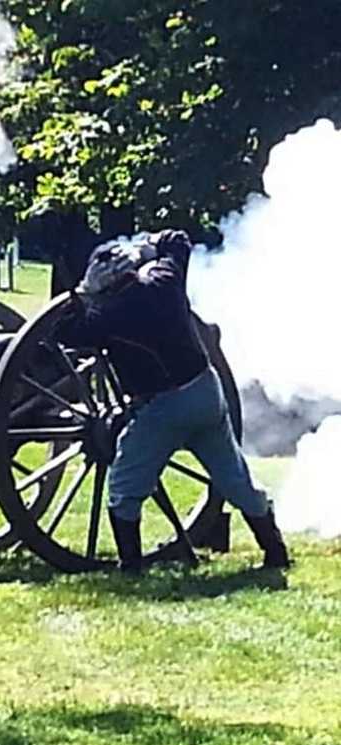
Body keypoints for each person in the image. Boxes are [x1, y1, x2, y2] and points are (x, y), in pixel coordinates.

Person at [56, 229, 290, 572]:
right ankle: (275, 552)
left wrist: (82, 292)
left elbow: (67, 332)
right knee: (234, 477)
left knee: (124, 485)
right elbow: (178, 240)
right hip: (207, 392)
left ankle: (131, 565)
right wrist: (149, 243)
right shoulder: (165, 280)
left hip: (163, 408)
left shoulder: (108, 316)